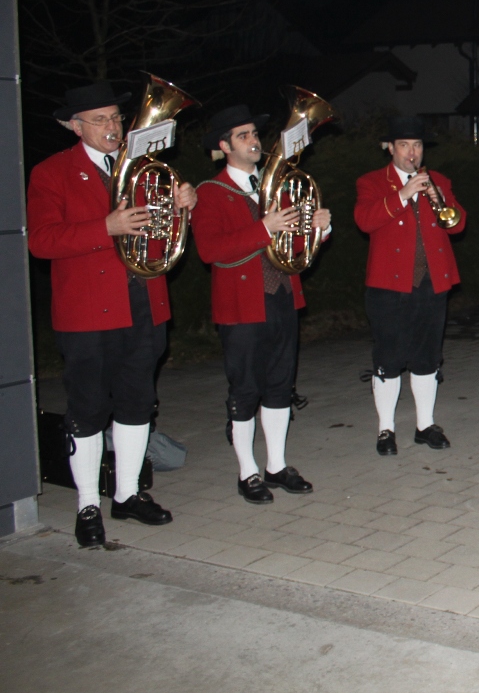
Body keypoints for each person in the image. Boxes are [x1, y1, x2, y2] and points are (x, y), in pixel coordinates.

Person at [28, 80, 192, 545]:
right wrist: (106, 227)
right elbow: (41, 241)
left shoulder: (143, 168)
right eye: (100, 120)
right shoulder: (52, 172)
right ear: (74, 126)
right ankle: (87, 505)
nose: (113, 127)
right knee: (88, 408)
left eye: (117, 118)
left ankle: (127, 494)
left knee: (138, 402)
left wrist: (183, 208)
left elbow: (160, 232)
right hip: (89, 312)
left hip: (144, 301)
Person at [192, 105, 331, 504]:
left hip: (283, 296)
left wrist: (318, 230)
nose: (254, 141)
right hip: (241, 305)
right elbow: (210, 251)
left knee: (280, 385)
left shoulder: (276, 186)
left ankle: (276, 465)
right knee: (245, 389)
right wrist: (263, 228)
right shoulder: (210, 192)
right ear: (224, 146)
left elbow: (295, 246)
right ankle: (247, 472)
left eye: (254, 133)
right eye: (243, 136)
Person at [353, 116, 466, 456]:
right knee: (388, 358)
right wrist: (402, 194)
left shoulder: (438, 180)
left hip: (431, 282)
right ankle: (386, 429)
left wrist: (438, 196)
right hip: (388, 285)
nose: (411, 152)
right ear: (390, 148)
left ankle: (424, 425)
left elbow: (458, 225)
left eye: (416, 145)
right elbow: (364, 220)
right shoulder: (372, 182)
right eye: (403, 145)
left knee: (428, 357)